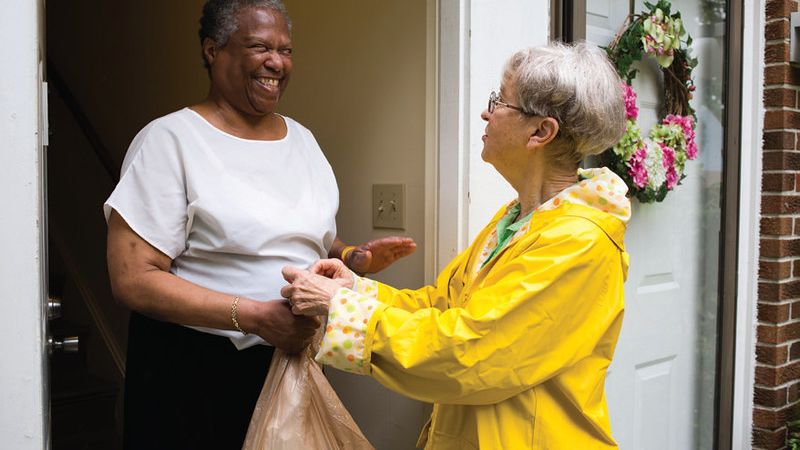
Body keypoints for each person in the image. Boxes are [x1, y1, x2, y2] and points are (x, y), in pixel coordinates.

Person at [281, 42, 630, 449]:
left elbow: (470, 352)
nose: (487, 112)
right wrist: (354, 291)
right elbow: (444, 307)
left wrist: (339, 310)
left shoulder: (580, 242)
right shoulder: (516, 219)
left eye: (500, 101)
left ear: (541, 131)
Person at [104, 1, 414, 449]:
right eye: (259, 46)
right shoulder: (170, 141)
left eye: (286, 50)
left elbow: (301, 234)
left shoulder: (302, 140)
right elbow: (132, 279)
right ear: (213, 50)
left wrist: (351, 257)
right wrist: (253, 317)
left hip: (293, 360)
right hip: (194, 372)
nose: (276, 62)